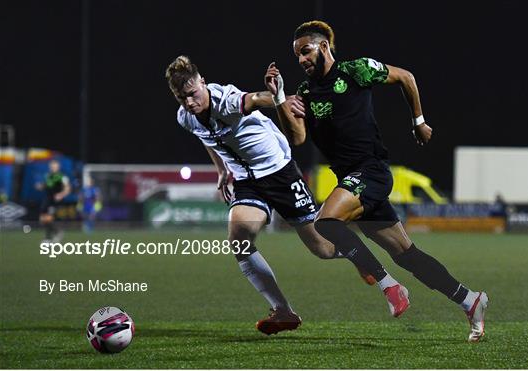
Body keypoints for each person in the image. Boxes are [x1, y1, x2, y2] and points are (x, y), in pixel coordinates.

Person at [265, 20, 488, 342]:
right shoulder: (304, 92)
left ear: (324, 46)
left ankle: (389, 285)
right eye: (296, 55)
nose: (300, 59)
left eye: (305, 51)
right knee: (407, 254)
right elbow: (297, 138)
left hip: (371, 171)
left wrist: (419, 121)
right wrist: (279, 101)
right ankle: (470, 300)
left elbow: (405, 77)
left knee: (326, 222)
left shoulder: (357, 71)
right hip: (353, 180)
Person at [165, 55, 409, 335]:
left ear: (202, 83)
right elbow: (206, 137)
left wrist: (281, 98)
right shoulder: (186, 116)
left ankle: (386, 280)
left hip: (280, 172)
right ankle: (283, 311)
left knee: (324, 249)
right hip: (248, 180)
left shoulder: (227, 100)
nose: (189, 102)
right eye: (181, 98)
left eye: (193, 94)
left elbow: (255, 99)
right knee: (239, 237)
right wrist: (221, 170)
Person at [36, 159, 71, 242]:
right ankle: (57, 232)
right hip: (47, 200)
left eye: (55, 166)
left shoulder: (62, 176)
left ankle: (48, 237)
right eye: (52, 166)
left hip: (55, 201)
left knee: (48, 218)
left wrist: (61, 194)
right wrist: (40, 186)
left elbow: (68, 189)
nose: (53, 168)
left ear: (58, 167)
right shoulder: (48, 175)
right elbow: (46, 185)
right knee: (42, 220)